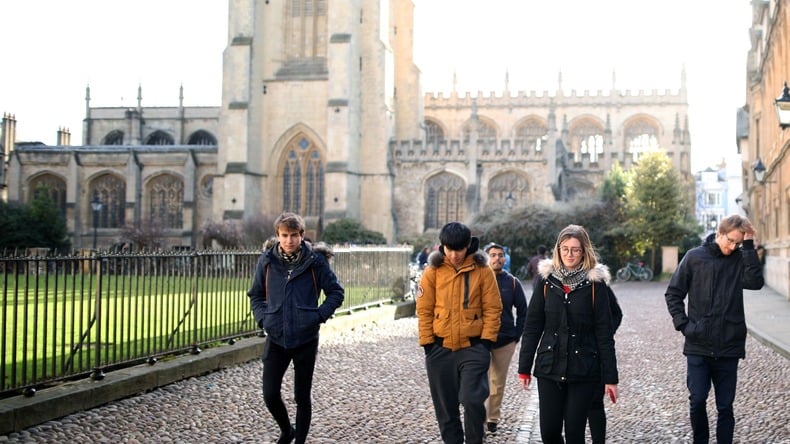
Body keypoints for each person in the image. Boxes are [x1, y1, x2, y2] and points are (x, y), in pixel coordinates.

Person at [664, 214, 763, 444]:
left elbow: (755, 282)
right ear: (719, 233)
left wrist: (747, 246)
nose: (733, 246)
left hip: (729, 345)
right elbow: (673, 293)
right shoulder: (694, 257)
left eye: (737, 242)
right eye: (731, 240)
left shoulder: (740, 259)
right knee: (697, 399)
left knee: (725, 406)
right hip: (698, 344)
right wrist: (684, 325)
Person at [247, 212, 345, 444]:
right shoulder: (267, 261)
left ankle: (299, 440)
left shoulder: (316, 262)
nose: (289, 240)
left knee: (302, 396)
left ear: (302, 235)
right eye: (284, 235)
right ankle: (286, 430)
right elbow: (256, 295)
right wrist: (264, 319)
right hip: (276, 337)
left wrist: (318, 316)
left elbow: (336, 293)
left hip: (305, 338)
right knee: (270, 394)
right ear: (277, 236)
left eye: (293, 235)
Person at [518, 224, 619, 444]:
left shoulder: (595, 285)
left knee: (574, 433)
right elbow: (532, 326)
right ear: (558, 250)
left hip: (583, 369)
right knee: (550, 433)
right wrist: (524, 368)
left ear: (584, 252)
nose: (570, 254)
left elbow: (604, 334)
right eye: (565, 249)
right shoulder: (546, 281)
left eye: (575, 249)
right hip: (549, 366)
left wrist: (610, 377)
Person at [417, 222, 502, 444]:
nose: (454, 255)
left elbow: (493, 308)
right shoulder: (432, 271)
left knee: (472, 399)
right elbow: (424, 309)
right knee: (446, 409)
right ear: (442, 246)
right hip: (439, 348)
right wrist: (428, 344)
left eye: (459, 249)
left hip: (473, 347)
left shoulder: (483, 270)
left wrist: (486, 342)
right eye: (449, 249)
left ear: (468, 246)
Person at [483, 242, 528, 434]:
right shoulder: (479, 280)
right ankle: (478, 418)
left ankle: (492, 419)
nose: (497, 258)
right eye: (493, 255)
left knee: (497, 382)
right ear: (486, 258)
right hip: (481, 340)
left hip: (505, 340)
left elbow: (524, 311)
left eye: (500, 255)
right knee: (478, 382)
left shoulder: (512, 282)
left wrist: (516, 336)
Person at [587, 286, 623, 443]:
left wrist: (602, 334)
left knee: (595, 403)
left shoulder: (598, 285)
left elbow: (616, 313)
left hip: (594, 354)